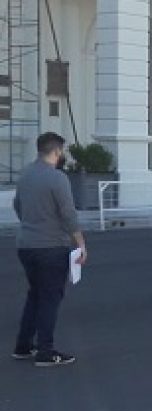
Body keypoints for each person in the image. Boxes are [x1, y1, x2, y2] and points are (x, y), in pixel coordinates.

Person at [11, 132, 86, 366]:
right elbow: (68, 214)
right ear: (56, 152)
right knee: (50, 298)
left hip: (26, 244)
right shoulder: (57, 178)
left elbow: (17, 205)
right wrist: (81, 243)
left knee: (35, 294)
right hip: (51, 245)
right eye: (62, 151)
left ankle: (23, 346)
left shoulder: (25, 174)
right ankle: (46, 350)